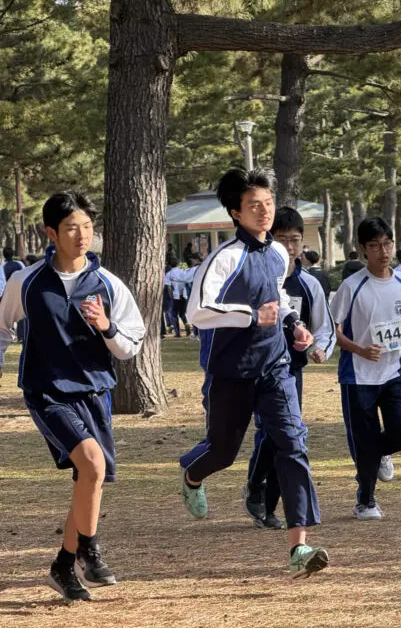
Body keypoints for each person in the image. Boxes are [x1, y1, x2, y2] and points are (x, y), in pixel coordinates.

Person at [178, 168, 328, 579]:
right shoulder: (224, 258)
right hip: (231, 372)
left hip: (275, 367)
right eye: (253, 205)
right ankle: (192, 475)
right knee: (223, 451)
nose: (264, 211)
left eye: (268, 203)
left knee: (293, 443)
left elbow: (277, 296)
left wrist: (294, 324)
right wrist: (249, 316)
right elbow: (197, 311)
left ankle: (299, 546)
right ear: (235, 212)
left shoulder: (278, 252)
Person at [0, 191, 145, 602]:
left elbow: (131, 345)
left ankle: (63, 565)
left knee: (88, 478)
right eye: (71, 228)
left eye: (87, 227)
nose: (82, 236)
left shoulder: (108, 284)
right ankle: (89, 550)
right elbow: (2, 328)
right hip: (47, 392)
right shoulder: (26, 282)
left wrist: (107, 326)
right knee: (92, 464)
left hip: (94, 392)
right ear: (51, 233)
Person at [243, 207, 336, 530]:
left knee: (286, 435)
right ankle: (257, 489)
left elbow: (324, 327)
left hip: (290, 371)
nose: (290, 246)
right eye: (282, 239)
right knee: (276, 433)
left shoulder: (309, 284)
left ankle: (265, 503)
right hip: (256, 368)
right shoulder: (255, 279)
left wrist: (320, 348)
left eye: (295, 240)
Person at [330, 218, 401, 520]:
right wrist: (360, 349)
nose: (383, 252)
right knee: (364, 440)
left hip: (393, 374)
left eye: (387, 244)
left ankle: (380, 452)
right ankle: (365, 502)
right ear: (362, 249)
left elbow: (398, 326)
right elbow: (333, 332)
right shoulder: (351, 287)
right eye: (375, 246)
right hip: (358, 377)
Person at [164, 256, 190, 338]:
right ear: (178, 264)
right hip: (184, 294)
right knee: (182, 313)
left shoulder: (169, 274)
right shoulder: (183, 272)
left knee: (174, 314)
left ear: (170, 265)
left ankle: (178, 332)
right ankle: (186, 323)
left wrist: (171, 296)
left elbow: (168, 287)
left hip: (175, 296)